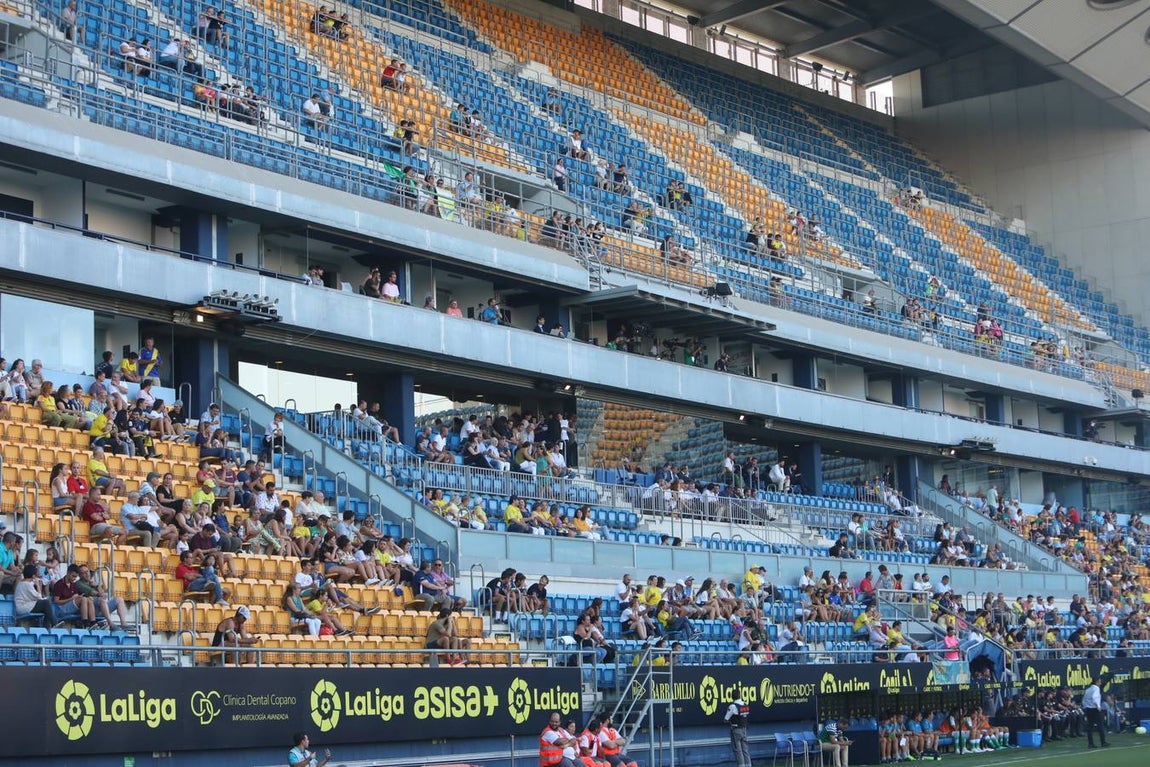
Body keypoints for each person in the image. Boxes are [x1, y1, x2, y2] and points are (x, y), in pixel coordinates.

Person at [724, 695, 751, 767]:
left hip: (736, 730)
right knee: (745, 750)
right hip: (744, 729)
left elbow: (726, 719)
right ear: (740, 696)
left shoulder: (732, 706)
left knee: (738, 751)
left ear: (732, 697)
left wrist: (730, 722)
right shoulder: (745, 705)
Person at [1082, 676, 1108, 748]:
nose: (1100, 683)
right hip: (1095, 709)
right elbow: (1095, 698)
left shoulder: (1088, 690)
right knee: (1100, 726)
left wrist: (1086, 707)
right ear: (1096, 682)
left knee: (1090, 727)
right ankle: (1103, 742)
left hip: (1088, 709)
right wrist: (1098, 707)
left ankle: (1090, 743)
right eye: (1099, 682)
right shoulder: (1096, 689)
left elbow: (1084, 700)